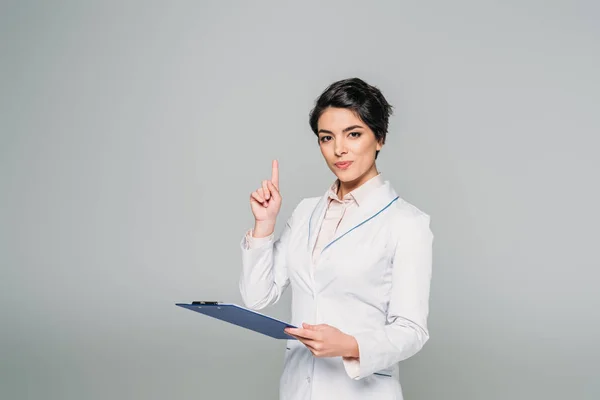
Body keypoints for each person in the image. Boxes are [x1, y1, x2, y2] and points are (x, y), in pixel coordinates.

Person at [239, 77, 433, 400]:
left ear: (380, 138)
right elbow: (257, 297)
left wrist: (349, 345)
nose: (339, 149)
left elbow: (412, 330)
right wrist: (264, 225)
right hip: (298, 389)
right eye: (326, 138)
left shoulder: (407, 224)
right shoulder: (305, 212)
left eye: (353, 134)